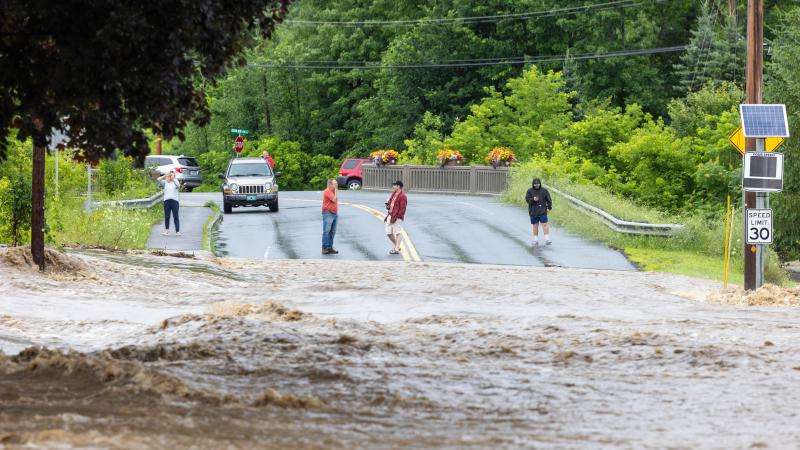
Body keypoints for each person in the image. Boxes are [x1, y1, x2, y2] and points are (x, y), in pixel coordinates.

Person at [525, 178, 552, 245]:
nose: (536, 185)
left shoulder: (544, 191)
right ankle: (535, 239)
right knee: (535, 225)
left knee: (545, 224)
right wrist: (533, 199)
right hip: (533, 211)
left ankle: (547, 239)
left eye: (538, 184)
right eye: (535, 184)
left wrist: (549, 208)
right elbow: (527, 200)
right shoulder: (530, 191)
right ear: (533, 184)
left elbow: (549, 200)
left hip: (543, 210)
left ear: (540, 184)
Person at [385, 180, 407, 255]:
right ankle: (397, 246)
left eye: (394, 185)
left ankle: (396, 249)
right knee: (388, 233)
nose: (393, 187)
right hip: (390, 215)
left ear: (398, 186)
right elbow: (390, 203)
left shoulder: (402, 196)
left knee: (398, 232)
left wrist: (398, 216)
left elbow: (403, 208)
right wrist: (388, 205)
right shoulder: (394, 193)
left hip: (397, 217)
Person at [158, 170, 181, 236]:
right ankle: (166, 230)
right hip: (167, 202)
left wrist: (173, 178)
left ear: (174, 176)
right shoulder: (165, 182)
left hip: (174, 201)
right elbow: (158, 180)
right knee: (167, 216)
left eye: (172, 175)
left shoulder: (175, 182)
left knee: (175, 216)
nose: (170, 176)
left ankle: (177, 231)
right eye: (170, 175)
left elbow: (178, 186)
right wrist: (165, 175)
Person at [321, 179, 339, 255]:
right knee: (327, 231)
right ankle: (324, 247)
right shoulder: (327, 191)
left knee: (333, 231)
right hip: (328, 213)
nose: (337, 185)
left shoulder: (333, 191)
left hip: (334, 213)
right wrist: (337, 190)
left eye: (337, 183)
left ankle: (330, 247)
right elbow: (334, 199)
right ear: (330, 184)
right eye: (335, 183)